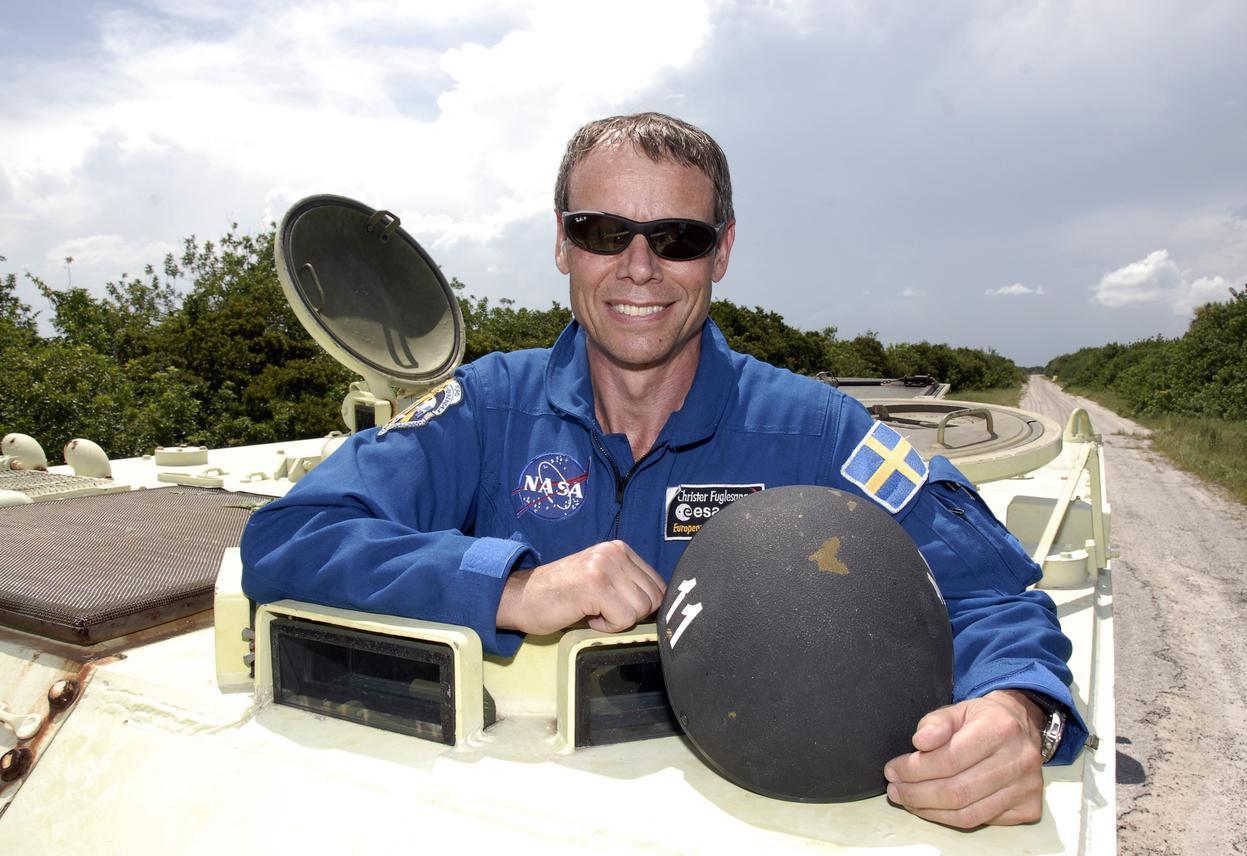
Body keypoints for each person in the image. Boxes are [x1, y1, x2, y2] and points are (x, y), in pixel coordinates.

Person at [241, 112, 1086, 829]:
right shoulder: (486, 408)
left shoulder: (816, 430)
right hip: (509, 815)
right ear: (563, 246)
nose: (638, 267)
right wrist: (508, 587)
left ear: (720, 253)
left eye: (677, 238)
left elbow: (990, 592)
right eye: (603, 232)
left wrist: (1019, 711)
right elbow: (291, 536)